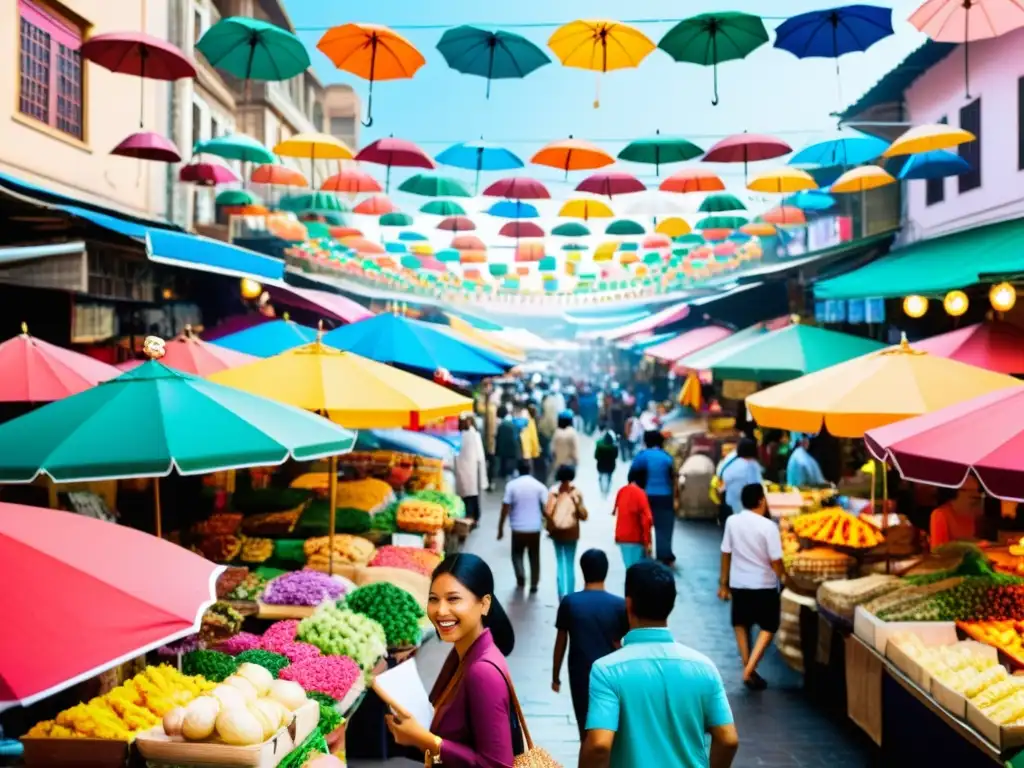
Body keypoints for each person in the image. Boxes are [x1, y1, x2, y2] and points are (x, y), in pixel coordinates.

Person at [581, 561, 738, 768]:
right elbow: (728, 739)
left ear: (628, 604)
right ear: (671, 604)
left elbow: (599, 744)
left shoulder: (607, 670)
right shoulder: (704, 668)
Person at [385, 554, 520, 766]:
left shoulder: (482, 672)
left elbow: (496, 764)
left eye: (453, 599)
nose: (440, 610)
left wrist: (423, 739)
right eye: (433, 599)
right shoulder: (462, 655)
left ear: (484, 604)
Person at [552, 549, 628, 739]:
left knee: (584, 725)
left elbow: (561, 642)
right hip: (612, 675)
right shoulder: (619, 605)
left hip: (580, 674)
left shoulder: (570, 602)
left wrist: (555, 676)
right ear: (606, 570)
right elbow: (626, 643)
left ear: (582, 569)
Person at [718, 483, 784, 690]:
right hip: (764, 584)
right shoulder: (769, 527)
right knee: (769, 625)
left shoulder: (732, 521)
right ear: (761, 501)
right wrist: (784, 579)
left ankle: (749, 667)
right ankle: (748, 671)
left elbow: (726, 553)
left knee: (741, 623)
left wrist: (723, 584)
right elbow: (776, 561)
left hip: (739, 584)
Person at [498, 460, 548, 593]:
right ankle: (534, 584)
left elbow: (505, 507)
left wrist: (500, 528)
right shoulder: (539, 486)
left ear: (518, 470)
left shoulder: (512, 486)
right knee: (534, 556)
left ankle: (521, 577)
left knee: (516, 554)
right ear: (530, 469)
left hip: (518, 528)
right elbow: (546, 509)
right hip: (534, 528)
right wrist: (548, 525)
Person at [630, 431, 677, 566]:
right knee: (664, 527)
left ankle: (643, 553)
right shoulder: (667, 457)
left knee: (642, 526)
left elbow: (632, 476)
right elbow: (673, 478)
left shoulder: (641, 457)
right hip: (665, 497)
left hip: (644, 497)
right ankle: (664, 555)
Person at [545, 464, 589, 600]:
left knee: (559, 562)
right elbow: (583, 516)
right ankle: (570, 594)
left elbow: (547, 512)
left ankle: (561, 594)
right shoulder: (576, 493)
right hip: (572, 532)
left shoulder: (553, 492)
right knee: (570, 563)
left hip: (557, 533)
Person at [613, 467, 653, 568]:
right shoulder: (641, 493)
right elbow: (647, 520)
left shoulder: (621, 491)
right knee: (635, 571)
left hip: (622, 537)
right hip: (635, 538)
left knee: (629, 568)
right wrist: (648, 542)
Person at [930, 476, 984, 550]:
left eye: (977, 491)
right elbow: (938, 551)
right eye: (970, 491)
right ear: (955, 492)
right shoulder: (940, 514)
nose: (977, 495)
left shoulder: (973, 514)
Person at [453, 414, 487, 523]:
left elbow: (479, 456)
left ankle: (471, 517)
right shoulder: (468, 435)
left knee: (469, 495)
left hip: (468, 469)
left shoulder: (470, 435)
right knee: (470, 495)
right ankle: (472, 517)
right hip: (468, 469)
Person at [719, 437, 763, 518]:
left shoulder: (731, 458)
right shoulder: (751, 465)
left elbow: (721, 474)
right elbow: (757, 483)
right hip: (744, 504)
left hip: (729, 500)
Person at [494, 406, 522, 487]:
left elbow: (498, 438)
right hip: (513, 449)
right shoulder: (512, 422)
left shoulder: (502, 424)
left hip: (504, 450)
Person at [594, 430, 619, 495]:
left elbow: (596, 456)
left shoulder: (599, 446)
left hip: (600, 467)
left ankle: (601, 489)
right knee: (609, 477)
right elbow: (616, 456)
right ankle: (607, 490)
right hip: (610, 467)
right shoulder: (614, 447)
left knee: (600, 476)